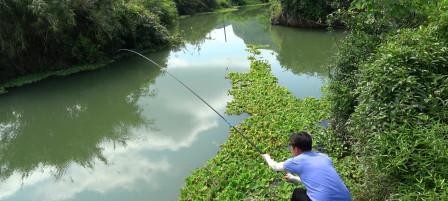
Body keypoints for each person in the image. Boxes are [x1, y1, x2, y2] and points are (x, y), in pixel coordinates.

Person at [261, 131, 352, 201]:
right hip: (347, 198)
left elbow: (275, 167)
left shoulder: (296, 161)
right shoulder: (324, 157)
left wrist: (267, 157)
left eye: (291, 147)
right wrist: (295, 179)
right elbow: (317, 178)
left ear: (296, 148)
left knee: (297, 193)